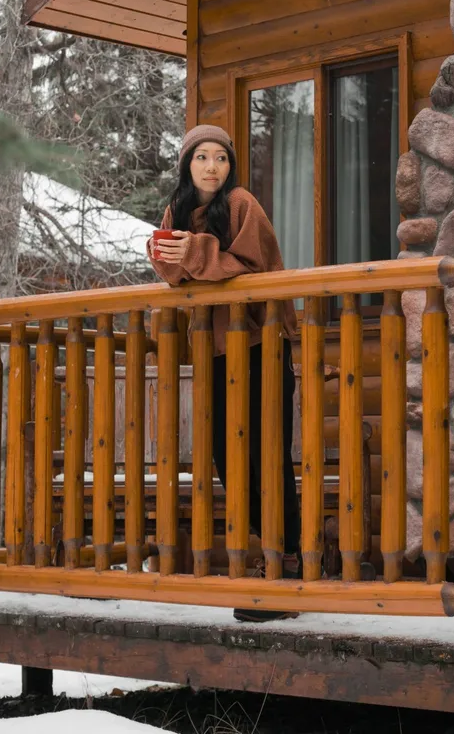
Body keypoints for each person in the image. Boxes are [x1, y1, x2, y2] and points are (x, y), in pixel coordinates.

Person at [147, 123, 301, 623]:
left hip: (261, 345)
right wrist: (168, 258)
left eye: (220, 158)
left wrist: (195, 254)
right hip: (214, 354)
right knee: (223, 457)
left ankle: (285, 563)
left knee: (265, 456)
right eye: (201, 157)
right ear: (187, 165)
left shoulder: (241, 205)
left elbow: (252, 267)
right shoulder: (178, 210)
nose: (212, 167)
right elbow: (177, 274)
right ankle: (267, 551)